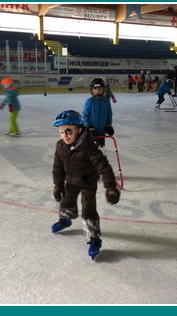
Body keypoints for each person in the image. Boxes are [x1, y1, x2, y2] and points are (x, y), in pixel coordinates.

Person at [51, 110, 120, 260]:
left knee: (88, 209)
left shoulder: (89, 147)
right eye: (61, 132)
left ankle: (94, 238)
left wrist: (111, 188)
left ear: (79, 129)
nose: (65, 136)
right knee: (67, 200)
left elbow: (104, 167)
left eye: (68, 131)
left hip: (88, 182)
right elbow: (57, 167)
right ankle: (66, 218)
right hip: (71, 180)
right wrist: (57, 185)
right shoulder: (60, 146)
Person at [82, 77, 114, 151]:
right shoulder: (89, 102)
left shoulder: (106, 102)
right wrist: (88, 127)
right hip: (90, 133)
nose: (97, 91)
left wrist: (108, 125)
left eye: (99, 89)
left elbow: (109, 115)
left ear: (103, 89)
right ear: (92, 90)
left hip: (101, 132)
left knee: (101, 152)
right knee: (90, 152)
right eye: (95, 89)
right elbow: (85, 115)